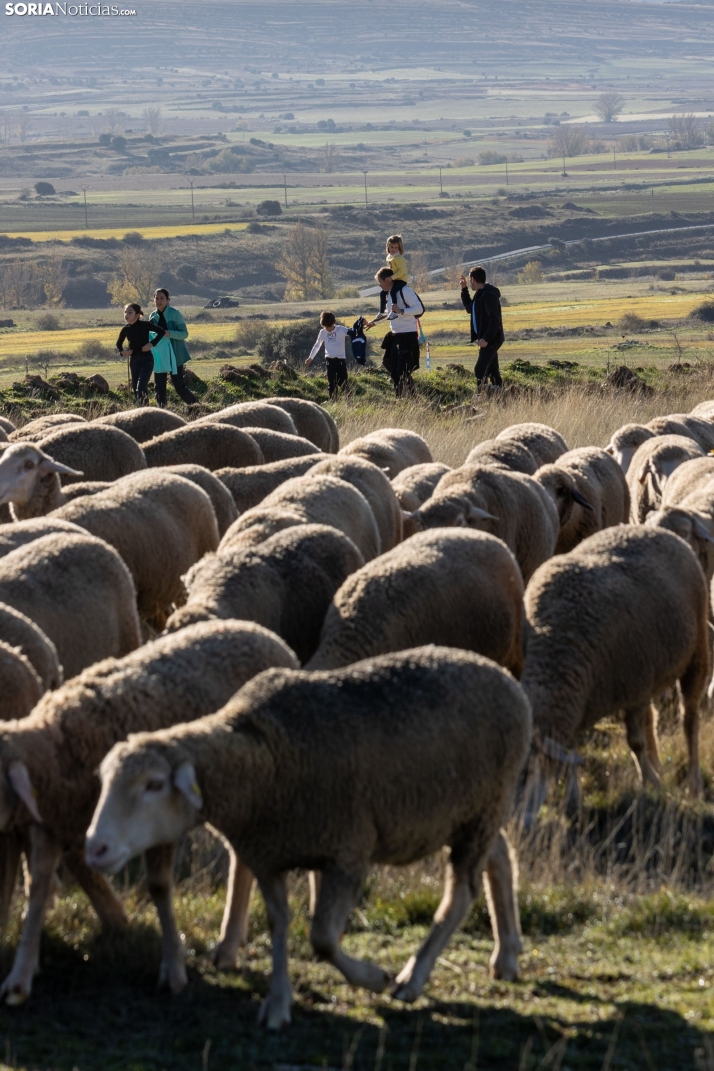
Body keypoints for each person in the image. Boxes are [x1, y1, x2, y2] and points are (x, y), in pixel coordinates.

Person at [365, 266, 423, 397]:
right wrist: (373, 323)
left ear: (387, 280)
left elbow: (419, 309)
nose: (380, 286)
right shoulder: (390, 294)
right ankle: (403, 398)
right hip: (395, 336)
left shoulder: (405, 291)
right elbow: (387, 313)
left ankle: (410, 398)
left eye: (380, 282)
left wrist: (402, 311)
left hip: (408, 336)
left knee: (402, 371)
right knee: (391, 366)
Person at [149, 288, 198, 407]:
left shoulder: (175, 314)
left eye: (162, 298)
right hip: (160, 356)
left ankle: (197, 407)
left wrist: (169, 333)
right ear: (153, 300)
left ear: (168, 300)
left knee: (179, 386)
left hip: (175, 355)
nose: (159, 301)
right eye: (157, 298)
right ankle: (163, 413)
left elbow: (184, 334)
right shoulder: (152, 316)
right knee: (159, 388)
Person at [459, 266, 505, 388]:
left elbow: (494, 320)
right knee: (493, 370)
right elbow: (470, 308)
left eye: (469, 280)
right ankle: (499, 394)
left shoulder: (488, 295)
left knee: (480, 370)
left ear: (473, 279)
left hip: (491, 340)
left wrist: (486, 338)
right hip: (487, 339)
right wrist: (464, 290)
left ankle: (483, 395)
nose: (469, 282)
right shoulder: (480, 294)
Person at [115, 303, 167, 406]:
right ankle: (141, 408)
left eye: (130, 312)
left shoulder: (145, 325)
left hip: (147, 359)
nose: (126, 315)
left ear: (138, 315)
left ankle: (145, 410)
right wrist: (122, 352)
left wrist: (151, 344)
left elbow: (161, 332)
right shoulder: (126, 329)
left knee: (141, 386)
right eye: (125, 312)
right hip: (134, 361)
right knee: (135, 388)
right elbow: (118, 344)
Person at [306, 311, 350, 400]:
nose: (328, 329)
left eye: (329, 327)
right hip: (329, 361)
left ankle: (349, 400)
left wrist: (361, 326)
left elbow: (352, 332)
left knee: (342, 382)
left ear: (334, 322)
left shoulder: (341, 329)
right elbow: (317, 345)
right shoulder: (322, 332)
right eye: (326, 327)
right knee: (331, 383)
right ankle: (333, 401)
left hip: (341, 360)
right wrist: (310, 358)